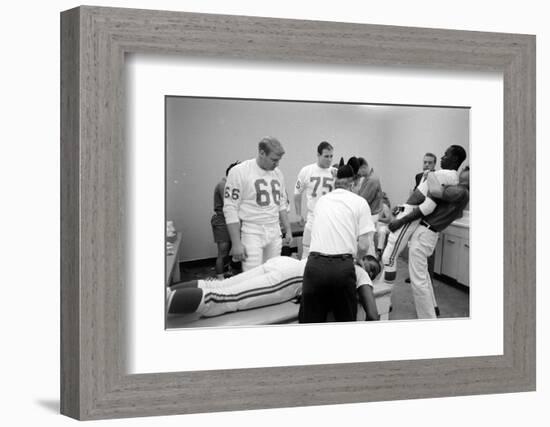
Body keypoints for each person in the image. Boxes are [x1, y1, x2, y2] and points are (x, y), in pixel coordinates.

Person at [167, 255, 381, 320]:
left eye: (374, 272)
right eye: (372, 268)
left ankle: (166, 293)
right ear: (364, 262)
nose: (370, 273)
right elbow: (372, 313)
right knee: (222, 298)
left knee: (221, 285)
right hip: (291, 277)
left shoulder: (341, 253)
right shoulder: (358, 272)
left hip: (285, 263)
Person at [388, 146, 469, 319]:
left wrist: (431, 174)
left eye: (446, 155)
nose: (464, 171)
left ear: (455, 160)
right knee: (423, 275)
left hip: (426, 232)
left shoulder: (458, 189)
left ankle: (428, 319)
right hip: (429, 233)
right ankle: (433, 307)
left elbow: (432, 194)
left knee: (418, 280)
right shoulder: (458, 188)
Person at [299, 164, 376, 323]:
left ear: (335, 183)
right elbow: (363, 245)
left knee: (309, 325)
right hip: (341, 268)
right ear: (354, 184)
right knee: (344, 324)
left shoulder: (321, 201)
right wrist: (358, 259)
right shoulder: (360, 202)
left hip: (313, 267)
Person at [223, 137, 293, 272]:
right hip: (252, 231)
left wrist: (287, 229)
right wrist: (236, 243)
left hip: (274, 229)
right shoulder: (239, 172)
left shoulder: (278, 173)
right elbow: (230, 208)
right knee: (252, 275)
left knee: (273, 272)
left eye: (279, 160)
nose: (277, 164)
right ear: (262, 153)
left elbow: (281, 204)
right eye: (274, 160)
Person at [381, 167, 459, 283]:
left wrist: (400, 221)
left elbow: (428, 206)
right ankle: (384, 290)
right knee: (388, 257)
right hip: (407, 213)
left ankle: (385, 293)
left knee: (389, 258)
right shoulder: (432, 176)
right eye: (425, 162)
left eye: (447, 155)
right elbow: (416, 200)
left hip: (410, 218)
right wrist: (401, 209)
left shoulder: (447, 176)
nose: (443, 157)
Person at [294, 141, 335, 259]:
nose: (329, 159)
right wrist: (298, 214)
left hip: (330, 219)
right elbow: (297, 194)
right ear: (318, 155)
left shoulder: (335, 173)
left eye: (331, 156)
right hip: (313, 217)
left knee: (328, 253)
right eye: (326, 156)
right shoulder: (306, 171)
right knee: (307, 253)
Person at [211, 161, 240, 279]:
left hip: (231, 220)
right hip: (222, 221)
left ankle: (229, 272)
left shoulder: (233, 185)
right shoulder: (223, 185)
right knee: (223, 252)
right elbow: (230, 205)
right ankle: (220, 278)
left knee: (232, 251)